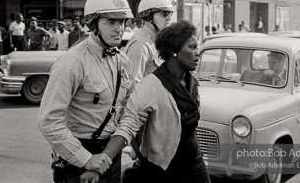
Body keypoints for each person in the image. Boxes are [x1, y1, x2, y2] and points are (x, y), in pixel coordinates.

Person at [37, 0, 149, 183]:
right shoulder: (72, 63)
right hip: (76, 160)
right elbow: (49, 121)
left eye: (122, 22)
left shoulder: (122, 61)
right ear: (93, 24)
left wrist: (109, 155)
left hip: (111, 156)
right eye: (111, 22)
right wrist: (86, 159)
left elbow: (130, 113)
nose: (119, 28)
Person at [83, 20, 210, 183]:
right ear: (173, 51)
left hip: (194, 164)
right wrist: (98, 167)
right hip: (163, 169)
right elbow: (128, 126)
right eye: (192, 47)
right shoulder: (151, 86)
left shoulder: (192, 82)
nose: (197, 52)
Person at [124, 0, 175, 84]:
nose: (168, 18)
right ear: (148, 15)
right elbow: (133, 85)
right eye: (164, 13)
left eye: (170, 14)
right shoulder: (140, 45)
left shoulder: (158, 41)